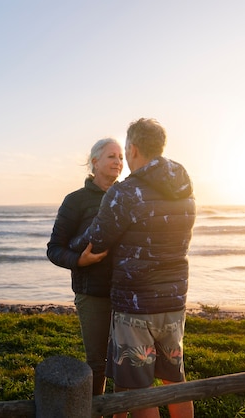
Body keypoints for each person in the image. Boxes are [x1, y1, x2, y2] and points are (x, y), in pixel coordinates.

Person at [71, 118, 196, 418]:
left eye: (125, 150)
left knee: (139, 389)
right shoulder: (183, 185)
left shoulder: (125, 192)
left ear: (133, 149)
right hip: (174, 301)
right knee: (174, 378)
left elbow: (97, 240)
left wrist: (73, 245)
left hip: (136, 305)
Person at [46, 137, 124, 396]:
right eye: (112, 156)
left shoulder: (127, 197)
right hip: (92, 294)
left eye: (122, 157)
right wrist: (80, 261)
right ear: (95, 162)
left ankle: (118, 413)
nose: (118, 162)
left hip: (129, 294)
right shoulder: (75, 200)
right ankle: (95, 412)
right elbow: (55, 248)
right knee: (97, 364)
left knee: (126, 364)